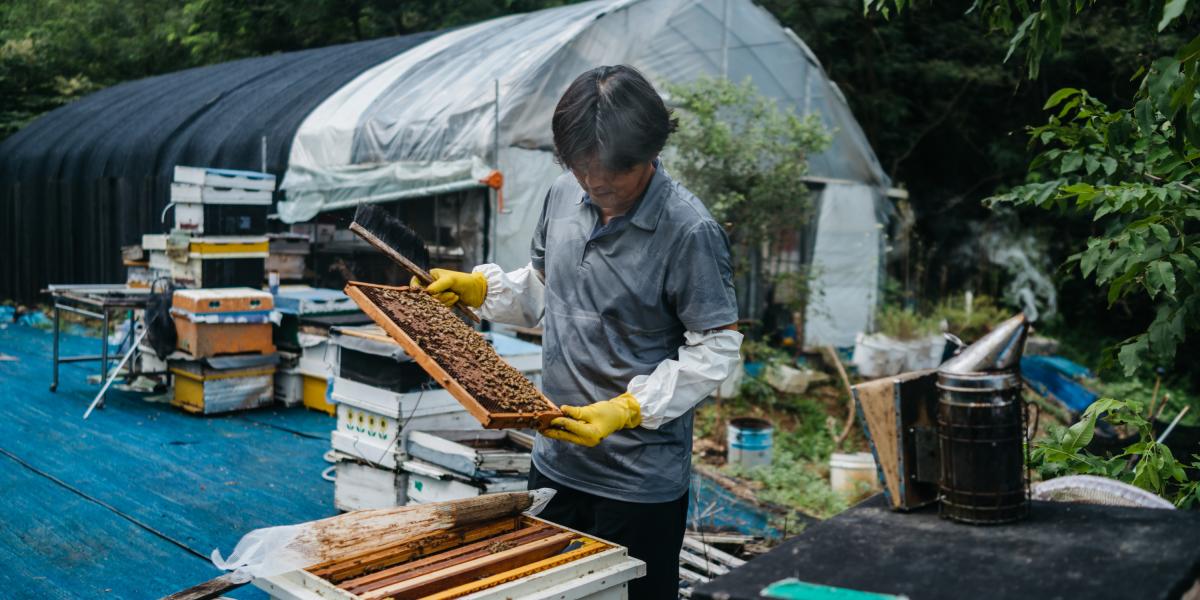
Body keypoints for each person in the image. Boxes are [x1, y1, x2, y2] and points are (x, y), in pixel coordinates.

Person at [417, 65, 743, 599]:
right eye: (583, 167)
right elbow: (548, 290)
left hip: (638, 485)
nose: (597, 182)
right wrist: (481, 290)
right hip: (555, 464)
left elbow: (716, 346)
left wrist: (627, 409)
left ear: (652, 150)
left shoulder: (691, 230)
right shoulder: (561, 196)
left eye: (615, 169)